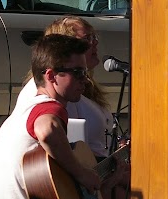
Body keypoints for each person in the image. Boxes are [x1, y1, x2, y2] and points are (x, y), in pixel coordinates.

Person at [0, 34, 103, 199]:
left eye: (85, 72)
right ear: (51, 76)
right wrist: (82, 174)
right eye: (77, 72)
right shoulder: (48, 107)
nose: (84, 79)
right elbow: (47, 131)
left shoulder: (25, 110)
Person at [17, 16, 114, 160]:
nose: (95, 42)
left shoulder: (77, 84)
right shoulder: (46, 91)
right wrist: (80, 173)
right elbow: (46, 131)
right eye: (87, 38)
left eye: (94, 37)